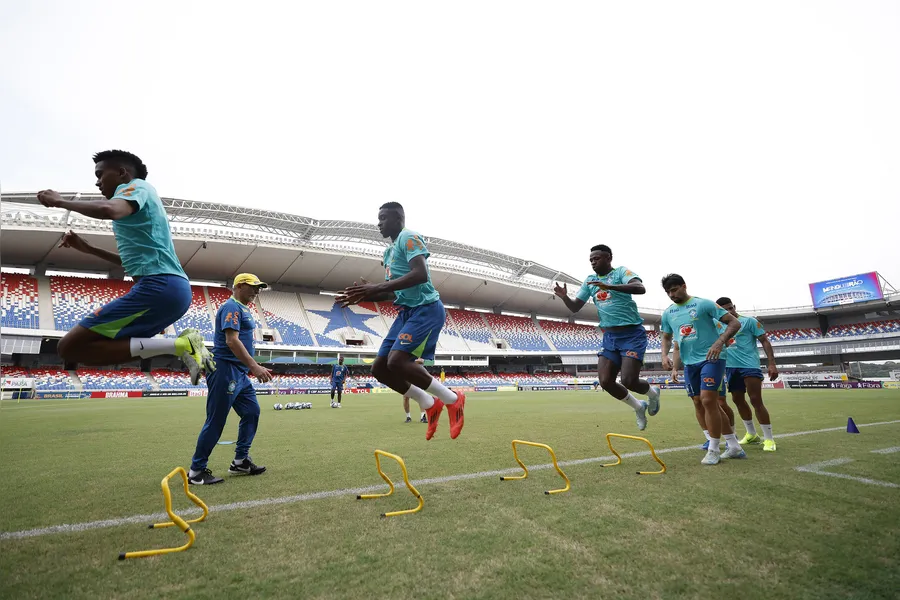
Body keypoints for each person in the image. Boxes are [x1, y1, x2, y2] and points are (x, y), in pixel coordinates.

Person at [36, 150, 213, 384]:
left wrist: (60, 202)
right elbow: (133, 262)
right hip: (168, 290)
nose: (97, 182)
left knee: (70, 347)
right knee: (82, 346)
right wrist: (88, 248)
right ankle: (182, 345)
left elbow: (110, 210)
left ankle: (182, 345)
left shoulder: (136, 187)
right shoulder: (141, 205)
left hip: (159, 288)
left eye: (100, 175)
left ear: (121, 173)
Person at [336, 202, 465, 440]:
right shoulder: (388, 252)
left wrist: (377, 286)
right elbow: (394, 292)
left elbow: (420, 274)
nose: (379, 223)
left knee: (397, 362)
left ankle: (454, 399)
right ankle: (429, 403)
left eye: (383, 218)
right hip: (405, 312)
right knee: (379, 368)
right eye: (379, 218)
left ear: (398, 218)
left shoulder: (409, 237)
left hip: (425, 308)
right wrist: (366, 295)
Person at [554, 244, 661, 431]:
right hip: (610, 336)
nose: (593, 262)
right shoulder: (590, 280)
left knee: (629, 381)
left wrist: (610, 286)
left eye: (596, 259)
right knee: (605, 381)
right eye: (591, 260)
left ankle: (653, 394)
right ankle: (638, 406)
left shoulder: (621, 272)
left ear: (608, 258)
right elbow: (575, 307)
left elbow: (640, 288)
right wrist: (564, 297)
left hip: (632, 334)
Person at [188, 274, 271, 485]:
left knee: (252, 412)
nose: (257, 292)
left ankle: (240, 460)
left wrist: (250, 366)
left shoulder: (243, 309)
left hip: (240, 373)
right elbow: (231, 341)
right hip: (225, 370)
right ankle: (196, 471)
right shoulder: (231, 307)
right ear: (239, 286)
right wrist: (255, 366)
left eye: (259, 288)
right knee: (216, 420)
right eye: (253, 287)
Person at [659, 274, 745, 465]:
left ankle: (713, 449)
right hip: (690, 363)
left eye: (674, 290)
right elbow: (666, 337)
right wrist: (664, 356)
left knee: (708, 400)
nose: (671, 295)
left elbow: (734, 323)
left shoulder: (703, 304)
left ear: (684, 286)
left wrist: (719, 342)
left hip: (712, 358)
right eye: (668, 292)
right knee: (701, 401)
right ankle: (734, 446)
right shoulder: (668, 313)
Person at [716, 297, 779, 451]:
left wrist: (771, 363)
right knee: (737, 399)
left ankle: (769, 439)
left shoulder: (749, 321)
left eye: (731, 308)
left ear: (734, 307)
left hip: (750, 365)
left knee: (755, 399)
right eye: (725, 310)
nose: (729, 312)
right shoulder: (718, 325)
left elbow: (764, 340)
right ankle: (751, 434)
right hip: (731, 367)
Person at [403, 358, 428, 423]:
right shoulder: (405, 352)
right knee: (406, 397)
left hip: (417, 376)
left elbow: (421, 361)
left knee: (421, 396)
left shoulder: (417, 351)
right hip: (406, 376)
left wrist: (409, 361)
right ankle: (408, 417)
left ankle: (423, 416)